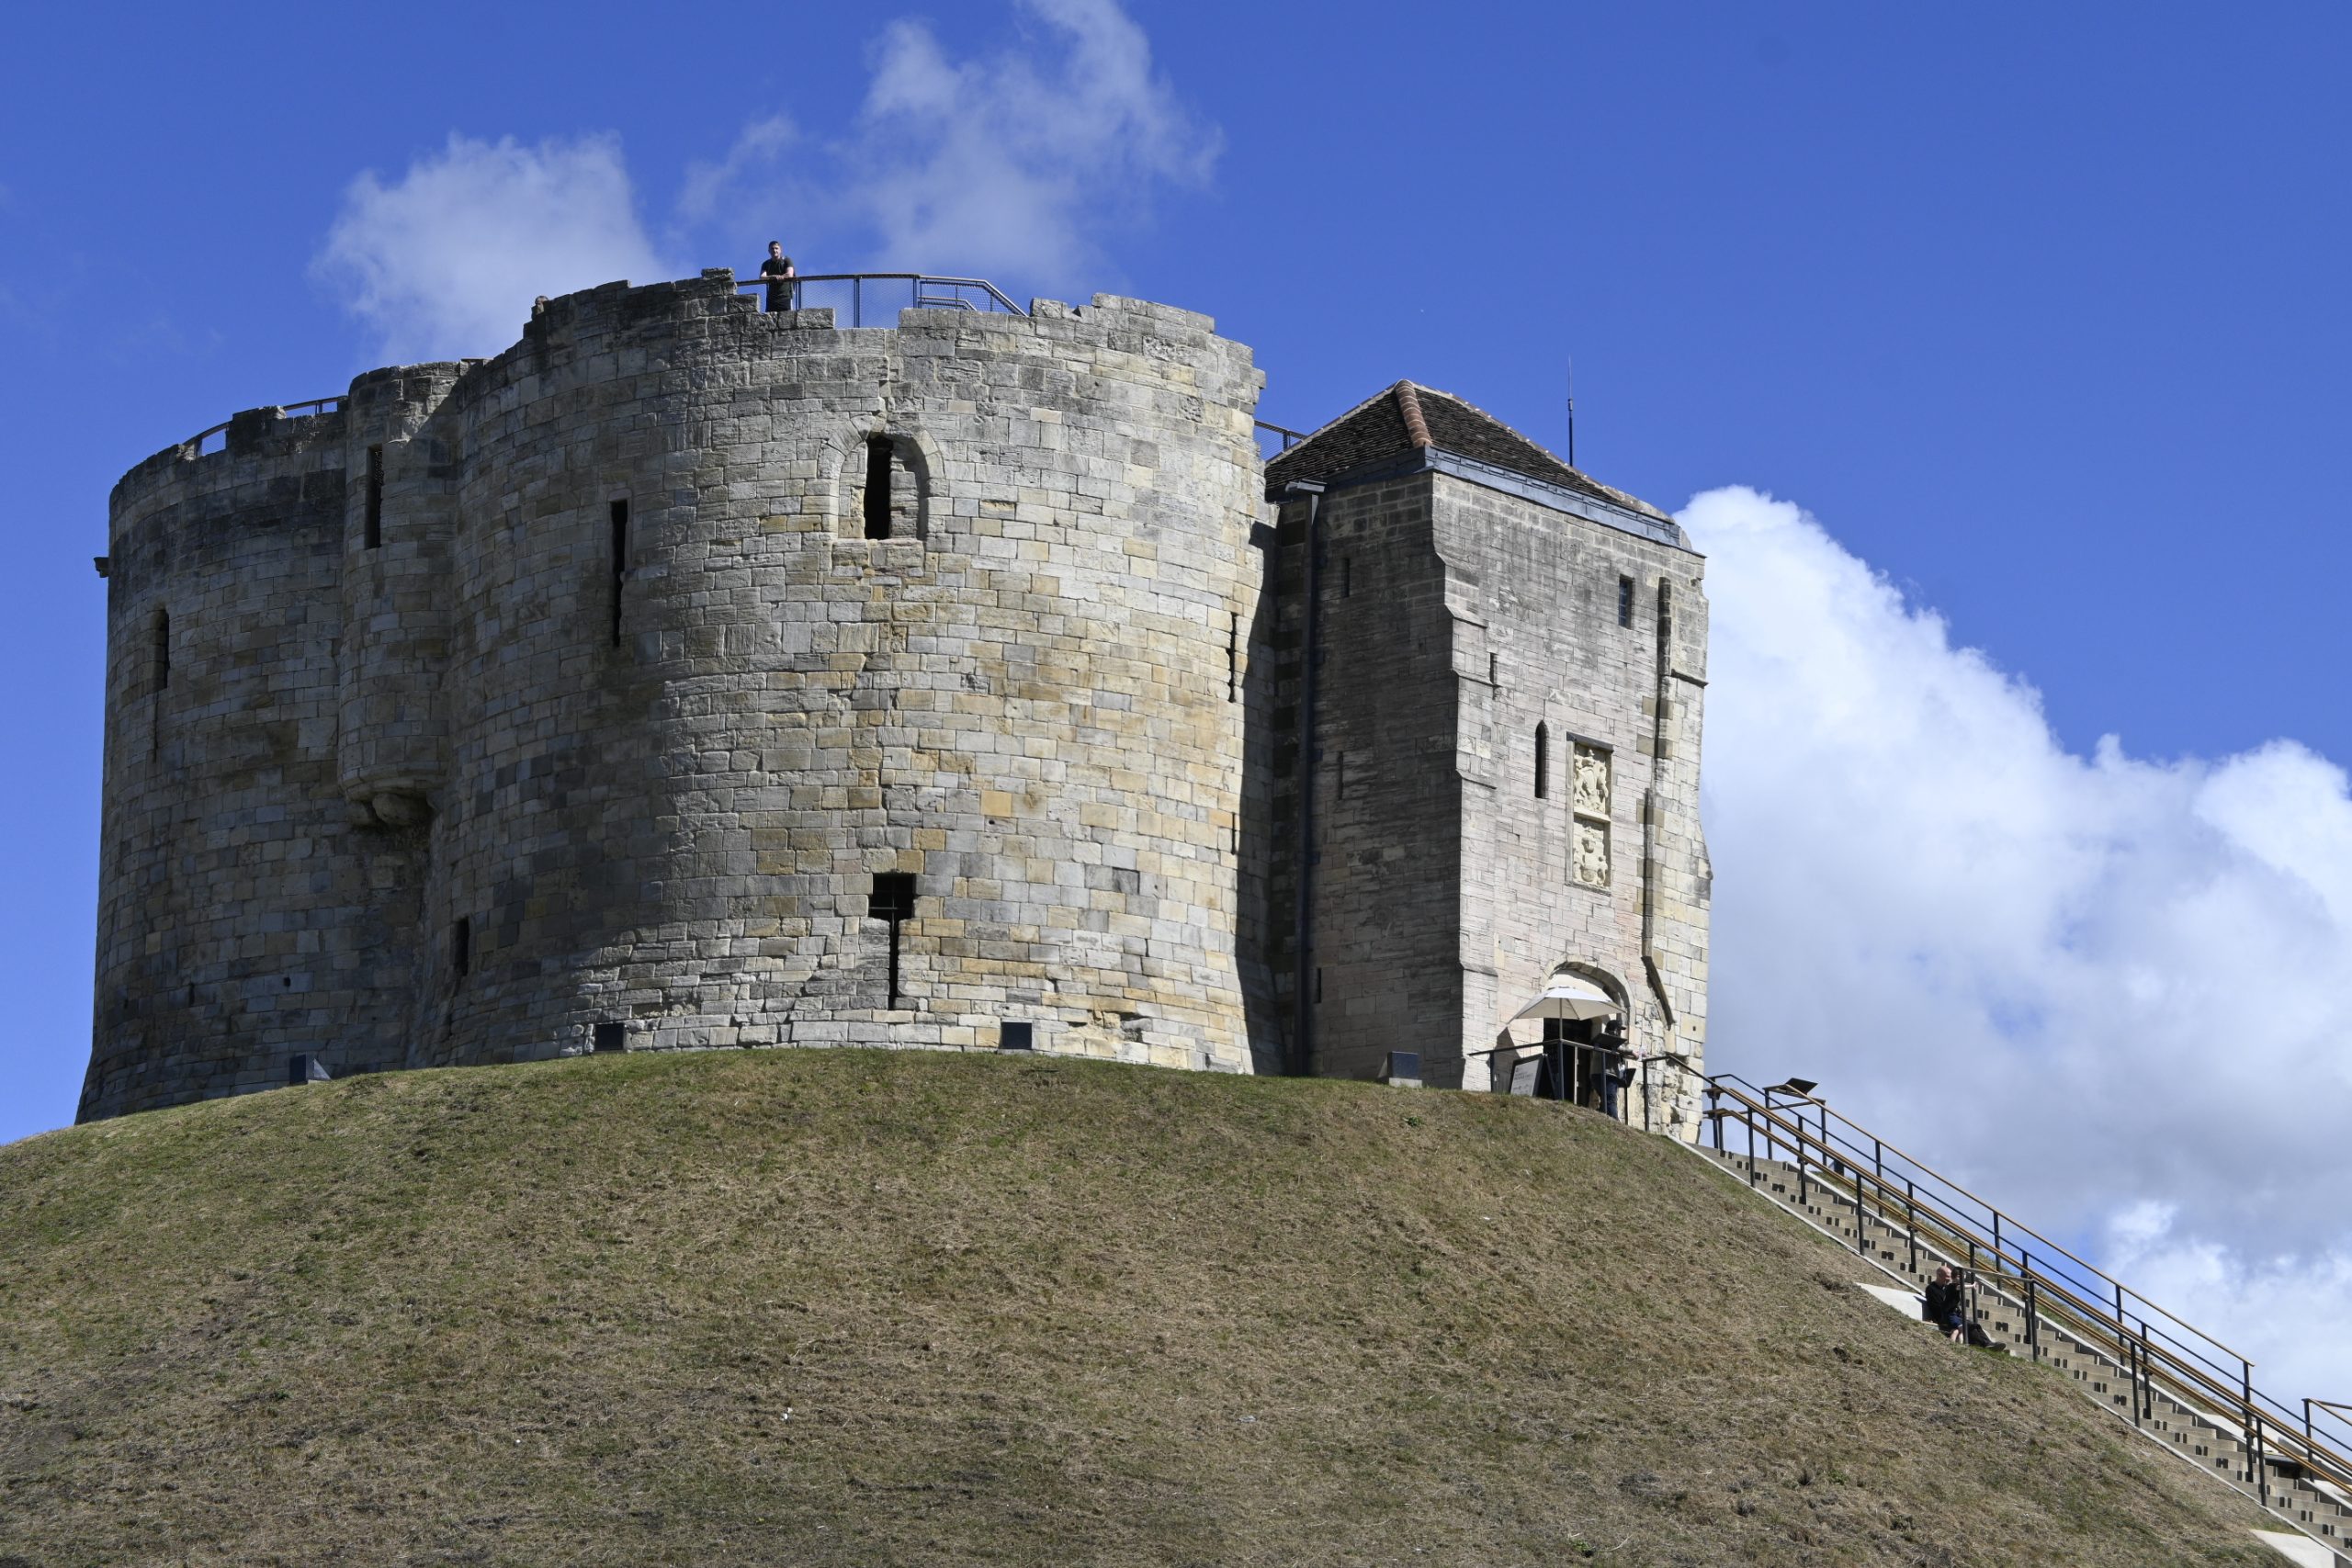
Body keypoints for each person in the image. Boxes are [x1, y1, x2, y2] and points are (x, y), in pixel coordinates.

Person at [1923, 1264, 1967, 1344]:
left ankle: (1985, 1343)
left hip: (1952, 1314)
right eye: (1947, 1277)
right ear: (1939, 1275)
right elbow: (1937, 1307)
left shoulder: (1947, 1288)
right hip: (1944, 1316)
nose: (1949, 1279)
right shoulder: (1931, 1289)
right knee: (1964, 1327)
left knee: (1971, 1325)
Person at [760, 243, 797, 311]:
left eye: (776, 248)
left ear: (780, 250)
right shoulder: (766, 264)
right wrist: (773, 277)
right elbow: (762, 277)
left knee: (787, 317)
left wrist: (780, 277)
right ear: (769, 251)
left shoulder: (786, 260)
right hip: (771, 299)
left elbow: (789, 274)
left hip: (785, 297)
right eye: (772, 249)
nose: (774, 250)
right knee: (769, 318)